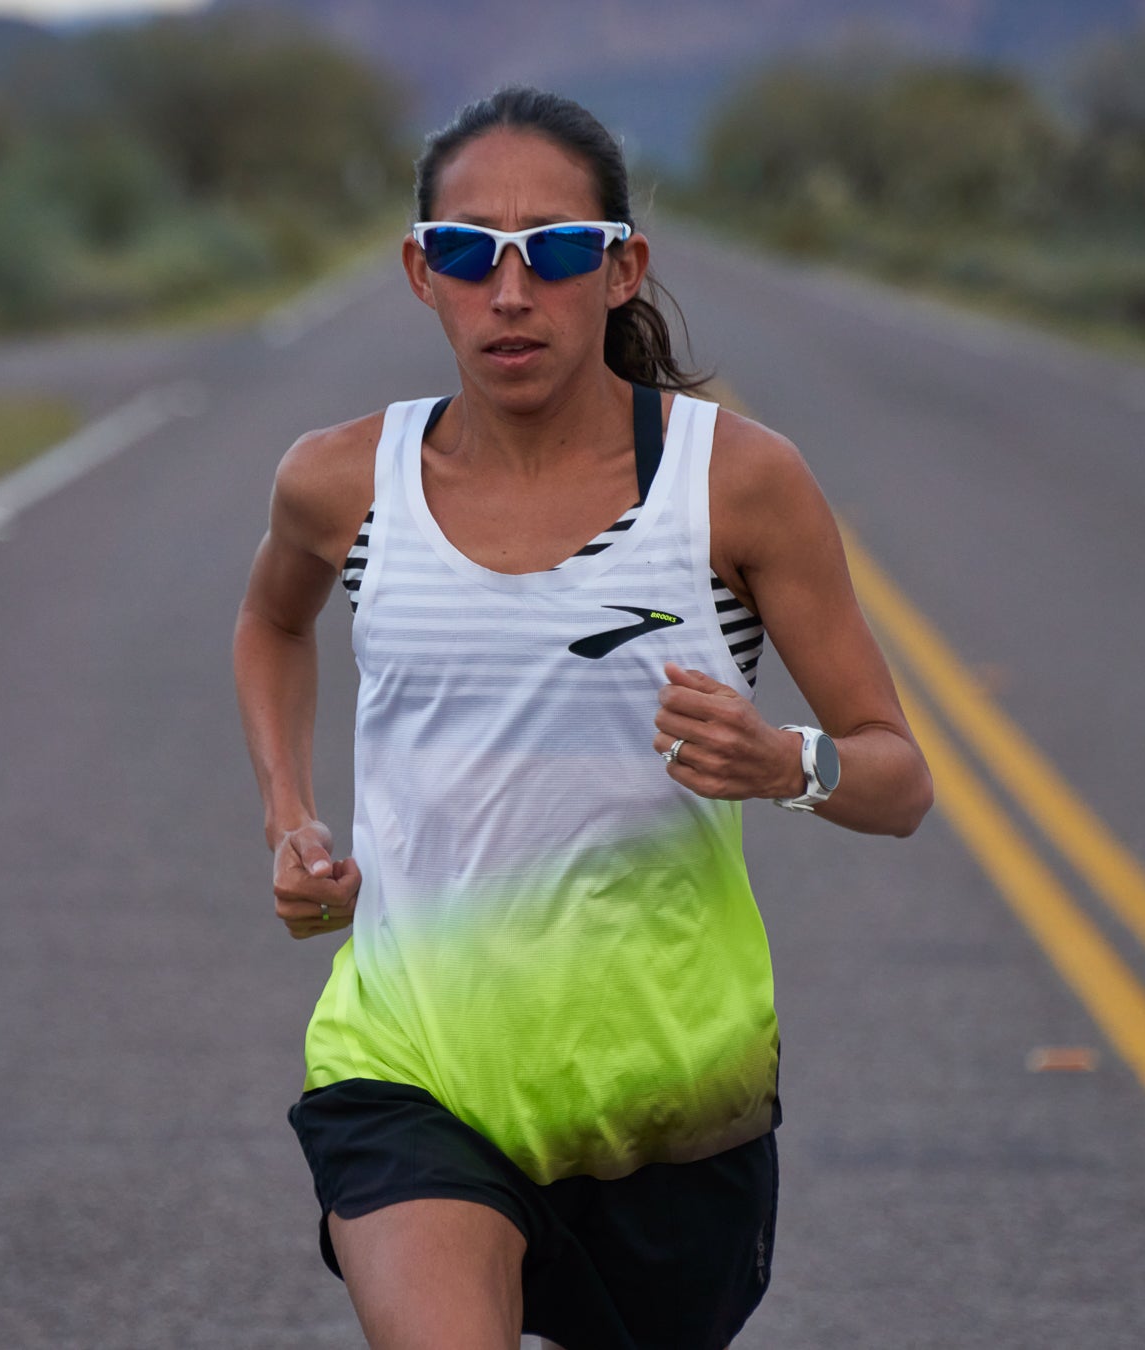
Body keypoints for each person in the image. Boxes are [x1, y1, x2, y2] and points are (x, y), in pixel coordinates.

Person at [232, 86, 935, 1350]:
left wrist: (787, 764)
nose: (511, 292)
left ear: (621, 269)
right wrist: (291, 815)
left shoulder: (738, 484)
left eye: (555, 251)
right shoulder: (341, 481)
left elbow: (898, 780)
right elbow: (273, 623)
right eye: (468, 253)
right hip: (411, 1065)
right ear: (419, 272)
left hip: (671, 1096)